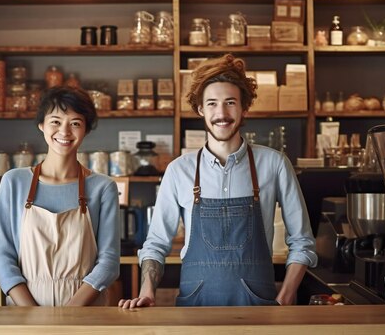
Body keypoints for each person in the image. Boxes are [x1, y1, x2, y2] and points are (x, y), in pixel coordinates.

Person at [119, 54, 317, 308]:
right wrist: (147, 291)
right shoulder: (178, 170)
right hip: (195, 308)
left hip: (260, 308)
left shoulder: (275, 164)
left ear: (244, 108)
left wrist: (286, 296)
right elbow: (156, 244)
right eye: (212, 103)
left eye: (230, 102)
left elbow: (302, 241)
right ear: (201, 109)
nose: (221, 113)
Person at [0, 86, 120, 306]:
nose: (64, 131)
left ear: (86, 130)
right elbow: (4, 259)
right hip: (24, 314)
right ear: (41, 125)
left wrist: (67, 316)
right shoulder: (13, 182)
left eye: (75, 123)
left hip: (84, 313)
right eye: (55, 121)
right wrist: (33, 316)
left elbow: (108, 263)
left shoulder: (103, 187)